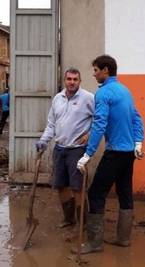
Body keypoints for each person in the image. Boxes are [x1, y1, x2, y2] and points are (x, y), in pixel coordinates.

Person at [75, 55, 144, 254]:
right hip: (129, 153)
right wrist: (138, 143)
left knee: (96, 193)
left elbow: (99, 124)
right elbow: (137, 118)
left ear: (106, 70)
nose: (94, 73)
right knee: (124, 193)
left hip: (115, 153)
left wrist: (88, 154)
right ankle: (123, 239)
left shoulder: (104, 93)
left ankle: (95, 243)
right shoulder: (125, 90)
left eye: (96, 70)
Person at [35, 68, 94, 228]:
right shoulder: (57, 99)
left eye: (75, 79)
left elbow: (100, 118)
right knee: (60, 185)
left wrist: (90, 134)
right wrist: (43, 141)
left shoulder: (88, 98)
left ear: (79, 81)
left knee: (77, 186)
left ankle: (83, 222)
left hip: (77, 149)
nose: (72, 82)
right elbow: (51, 124)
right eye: (69, 79)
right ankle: (69, 219)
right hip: (59, 149)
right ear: (64, 80)